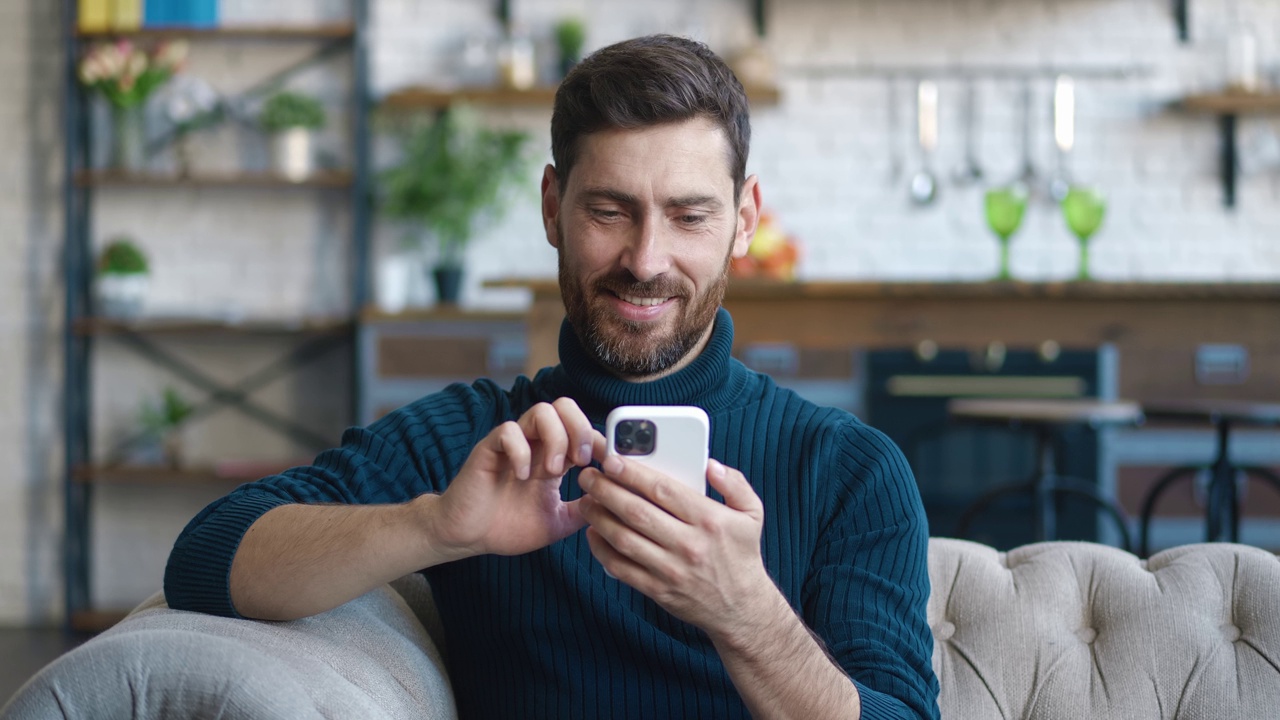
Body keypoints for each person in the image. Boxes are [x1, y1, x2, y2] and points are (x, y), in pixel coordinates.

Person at [165, 34, 940, 720]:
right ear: (551, 208)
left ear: (745, 219)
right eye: (610, 211)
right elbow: (204, 560)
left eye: (689, 215)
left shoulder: (848, 470)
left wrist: (745, 615)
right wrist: (436, 526)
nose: (646, 259)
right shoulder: (477, 443)